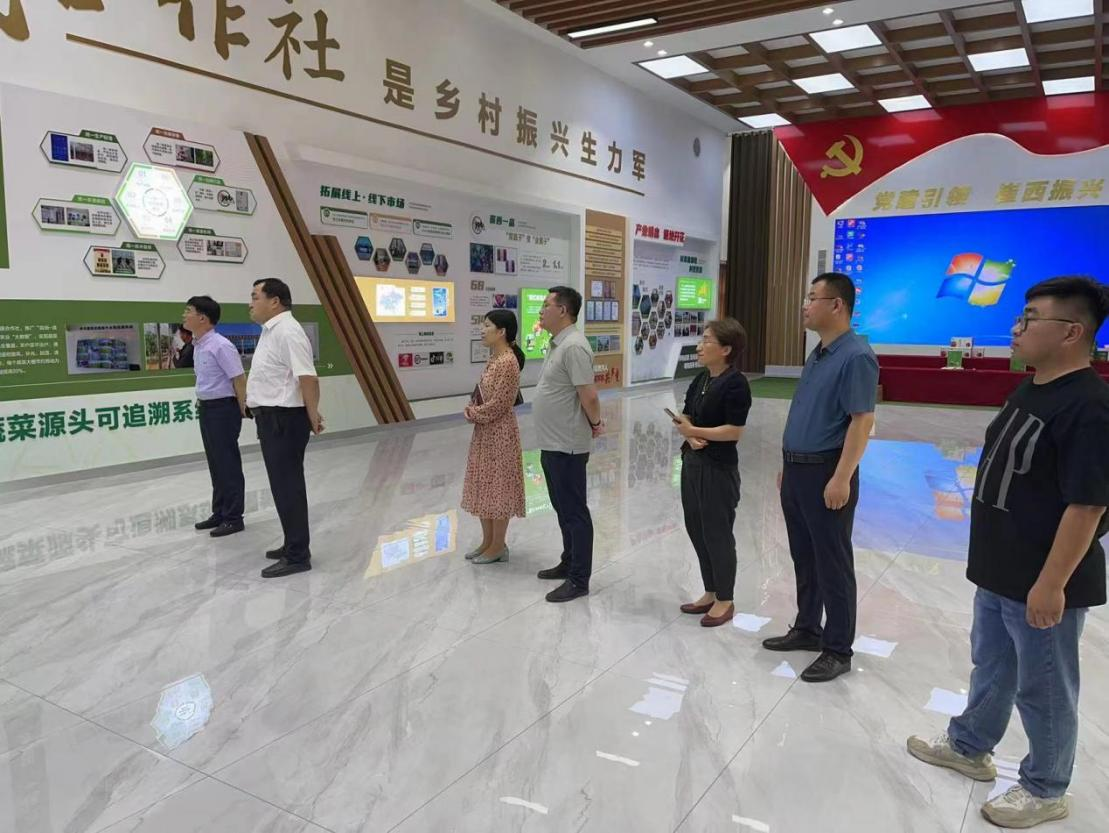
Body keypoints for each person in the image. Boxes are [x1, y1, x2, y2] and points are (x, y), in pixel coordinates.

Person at [907, 276, 1109, 829]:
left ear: (1071, 332)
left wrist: (1051, 584)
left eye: (1029, 319)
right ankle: (969, 745)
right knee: (992, 665)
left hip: (1044, 577)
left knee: (1044, 687)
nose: (1016, 329)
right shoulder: (1033, 388)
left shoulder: (1090, 406)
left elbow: (1088, 505)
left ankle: (1046, 787)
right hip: (1001, 567)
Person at [762, 271, 878, 683]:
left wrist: (842, 477)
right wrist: (788, 465)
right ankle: (808, 627)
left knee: (832, 561)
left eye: (812, 298)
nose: (805, 306)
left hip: (827, 471)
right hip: (798, 469)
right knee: (805, 555)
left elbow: (861, 421)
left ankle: (838, 648)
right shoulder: (820, 352)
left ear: (837, 305)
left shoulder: (856, 356)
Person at [671, 318, 753, 628]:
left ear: (726, 349)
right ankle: (710, 590)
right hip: (693, 463)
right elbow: (686, 416)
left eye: (707, 341)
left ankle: (725, 599)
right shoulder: (701, 379)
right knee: (696, 528)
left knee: (717, 533)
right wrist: (689, 434)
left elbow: (734, 431)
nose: (700, 346)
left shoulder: (736, 383)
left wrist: (695, 431)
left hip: (718, 468)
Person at [246, 278, 324, 579]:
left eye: (255, 297)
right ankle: (292, 542)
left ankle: (298, 555)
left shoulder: (288, 331)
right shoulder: (272, 331)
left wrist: (312, 415)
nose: (251, 303)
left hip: (284, 419)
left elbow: (308, 378)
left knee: (288, 486)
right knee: (281, 486)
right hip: (272, 418)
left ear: (274, 301)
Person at [533, 286, 603, 603]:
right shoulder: (557, 344)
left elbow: (589, 395)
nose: (541, 309)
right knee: (562, 508)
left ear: (562, 310)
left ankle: (579, 578)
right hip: (552, 442)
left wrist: (596, 423)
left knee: (574, 512)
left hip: (568, 445)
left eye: (546, 304)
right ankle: (568, 561)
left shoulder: (574, 346)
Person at [461, 310, 527, 564]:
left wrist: (473, 412)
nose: (482, 330)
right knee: (484, 486)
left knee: (498, 489)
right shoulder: (495, 359)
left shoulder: (508, 362)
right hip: (485, 432)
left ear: (501, 332)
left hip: (500, 434)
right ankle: (487, 542)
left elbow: (501, 404)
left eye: (487, 325)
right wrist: (473, 408)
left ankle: (498, 546)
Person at [185, 296, 247, 538]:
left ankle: (234, 518)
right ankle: (220, 512)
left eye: (188, 311)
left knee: (227, 463)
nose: (184, 315)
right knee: (215, 463)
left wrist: (243, 409)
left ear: (202, 318)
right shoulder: (199, 345)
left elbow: (238, 378)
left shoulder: (221, 345)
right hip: (208, 409)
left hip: (224, 410)